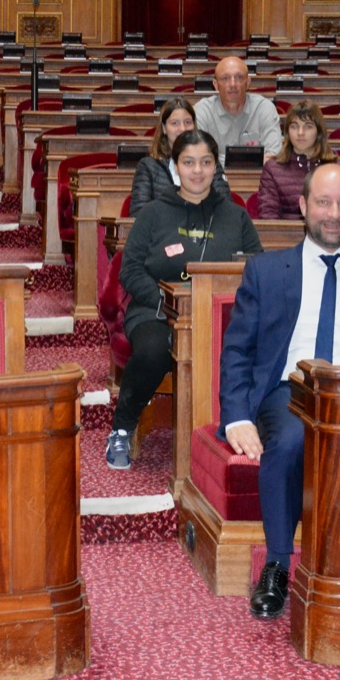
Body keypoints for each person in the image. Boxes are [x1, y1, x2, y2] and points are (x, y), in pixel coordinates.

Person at [217, 164, 340, 621]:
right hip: (291, 392)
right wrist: (237, 417)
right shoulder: (266, 270)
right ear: (304, 207)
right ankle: (276, 563)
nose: (334, 214)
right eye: (324, 203)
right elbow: (238, 352)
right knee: (288, 442)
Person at [106, 129, 262, 470]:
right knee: (153, 350)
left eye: (205, 162)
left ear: (215, 167)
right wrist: (169, 300)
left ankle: (243, 424)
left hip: (221, 314)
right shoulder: (152, 214)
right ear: (176, 167)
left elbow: (255, 268)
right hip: (155, 310)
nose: (197, 170)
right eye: (188, 162)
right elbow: (129, 270)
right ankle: (122, 426)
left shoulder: (235, 215)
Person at [129, 96, 231, 215]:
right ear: (164, 128)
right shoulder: (147, 166)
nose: (182, 129)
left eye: (188, 122)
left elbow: (226, 210)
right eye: (175, 123)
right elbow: (139, 214)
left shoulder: (210, 162)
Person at [250, 101, 336, 220]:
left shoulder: (337, 169)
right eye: (294, 126)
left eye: (308, 126)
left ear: (319, 132)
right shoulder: (273, 168)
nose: (300, 133)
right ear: (287, 132)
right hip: (285, 237)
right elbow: (268, 216)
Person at [194, 55, 281, 168]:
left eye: (239, 77)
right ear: (215, 85)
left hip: (257, 180)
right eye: (225, 78)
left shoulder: (264, 108)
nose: (233, 84)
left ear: (248, 82)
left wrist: (218, 158)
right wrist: (252, 159)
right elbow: (198, 156)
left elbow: (274, 155)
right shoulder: (203, 111)